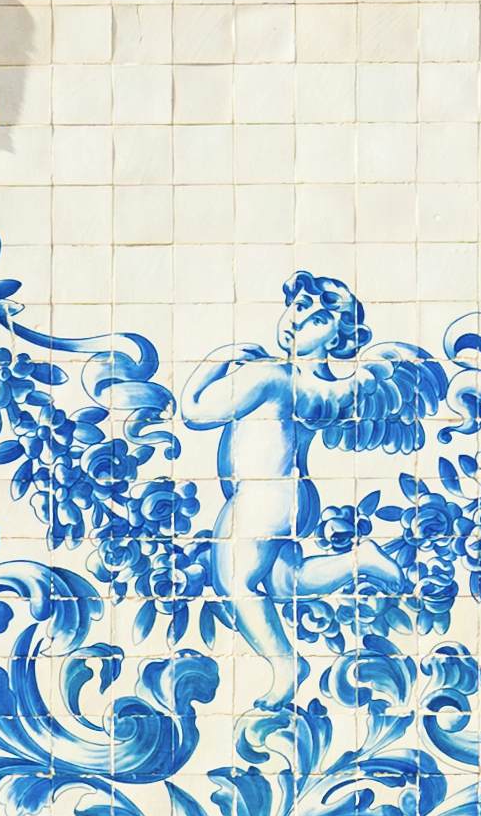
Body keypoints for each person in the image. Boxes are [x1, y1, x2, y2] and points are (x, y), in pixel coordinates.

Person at [174, 271, 448, 632]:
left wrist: (218, 360)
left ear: (340, 337)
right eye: (300, 306)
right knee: (288, 583)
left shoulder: (269, 375)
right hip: (295, 499)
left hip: (263, 494)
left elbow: (194, 412)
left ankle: (285, 671)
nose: (298, 320)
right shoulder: (322, 390)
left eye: (317, 319)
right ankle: (358, 561)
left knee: (232, 585)